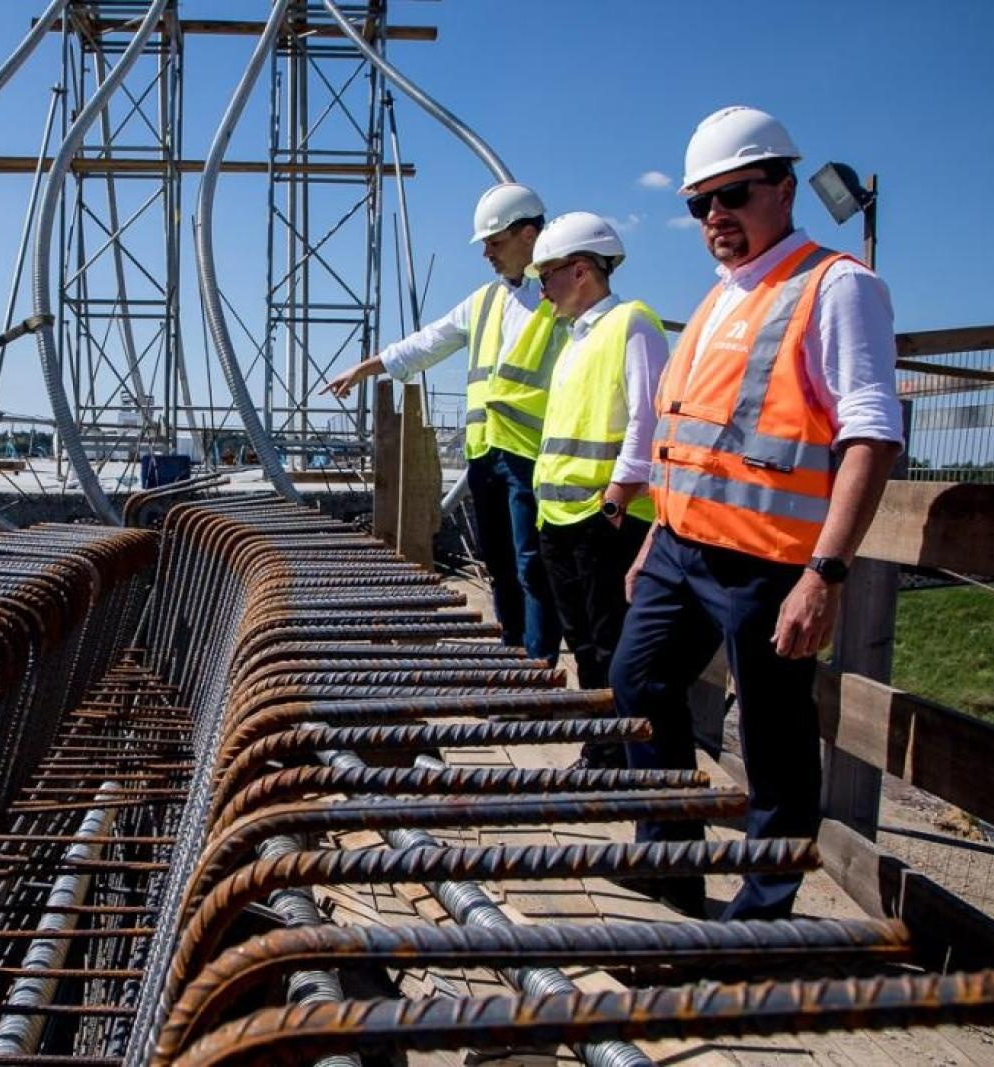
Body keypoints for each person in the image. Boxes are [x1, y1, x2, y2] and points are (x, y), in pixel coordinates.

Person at [611, 106, 904, 920]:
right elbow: (696, 443)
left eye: (733, 195)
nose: (715, 218)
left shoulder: (835, 286)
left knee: (773, 740)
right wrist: (657, 535)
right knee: (636, 679)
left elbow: (871, 434)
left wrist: (826, 571)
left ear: (783, 188)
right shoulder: (720, 298)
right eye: (699, 204)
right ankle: (671, 864)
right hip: (681, 547)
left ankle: (761, 911)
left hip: (772, 561)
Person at [324, 183, 562, 661]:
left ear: (530, 235)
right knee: (500, 562)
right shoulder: (485, 303)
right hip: (487, 457)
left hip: (533, 459)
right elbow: (427, 343)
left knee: (532, 565)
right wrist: (367, 367)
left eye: (495, 243)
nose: (487, 255)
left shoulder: (562, 300)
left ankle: (538, 668)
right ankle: (514, 653)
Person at [525, 213, 669, 770]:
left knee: (611, 645)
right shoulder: (576, 339)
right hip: (561, 519)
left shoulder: (631, 323)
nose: (542, 290)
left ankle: (616, 751)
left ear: (581, 270)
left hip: (603, 518)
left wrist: (615, 499)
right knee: (583, 644)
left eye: (549, 276)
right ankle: (603, 748)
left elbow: (647, 417)